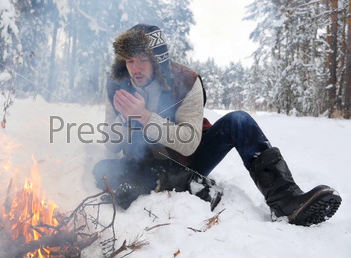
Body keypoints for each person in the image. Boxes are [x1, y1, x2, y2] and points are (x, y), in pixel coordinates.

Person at [92, 24, 341, 226]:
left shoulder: (187, 82)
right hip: (145, 163)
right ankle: (182, 182)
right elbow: (111, 147)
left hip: (189, 158)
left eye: (143, 59)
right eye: (129, 60)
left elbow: (188, 144)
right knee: (102, 169)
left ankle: (287, 201)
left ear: (158, 60)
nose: (135, 68)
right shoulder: (117, 84)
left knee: (239, 120)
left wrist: (145, 117)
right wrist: (122, 125)